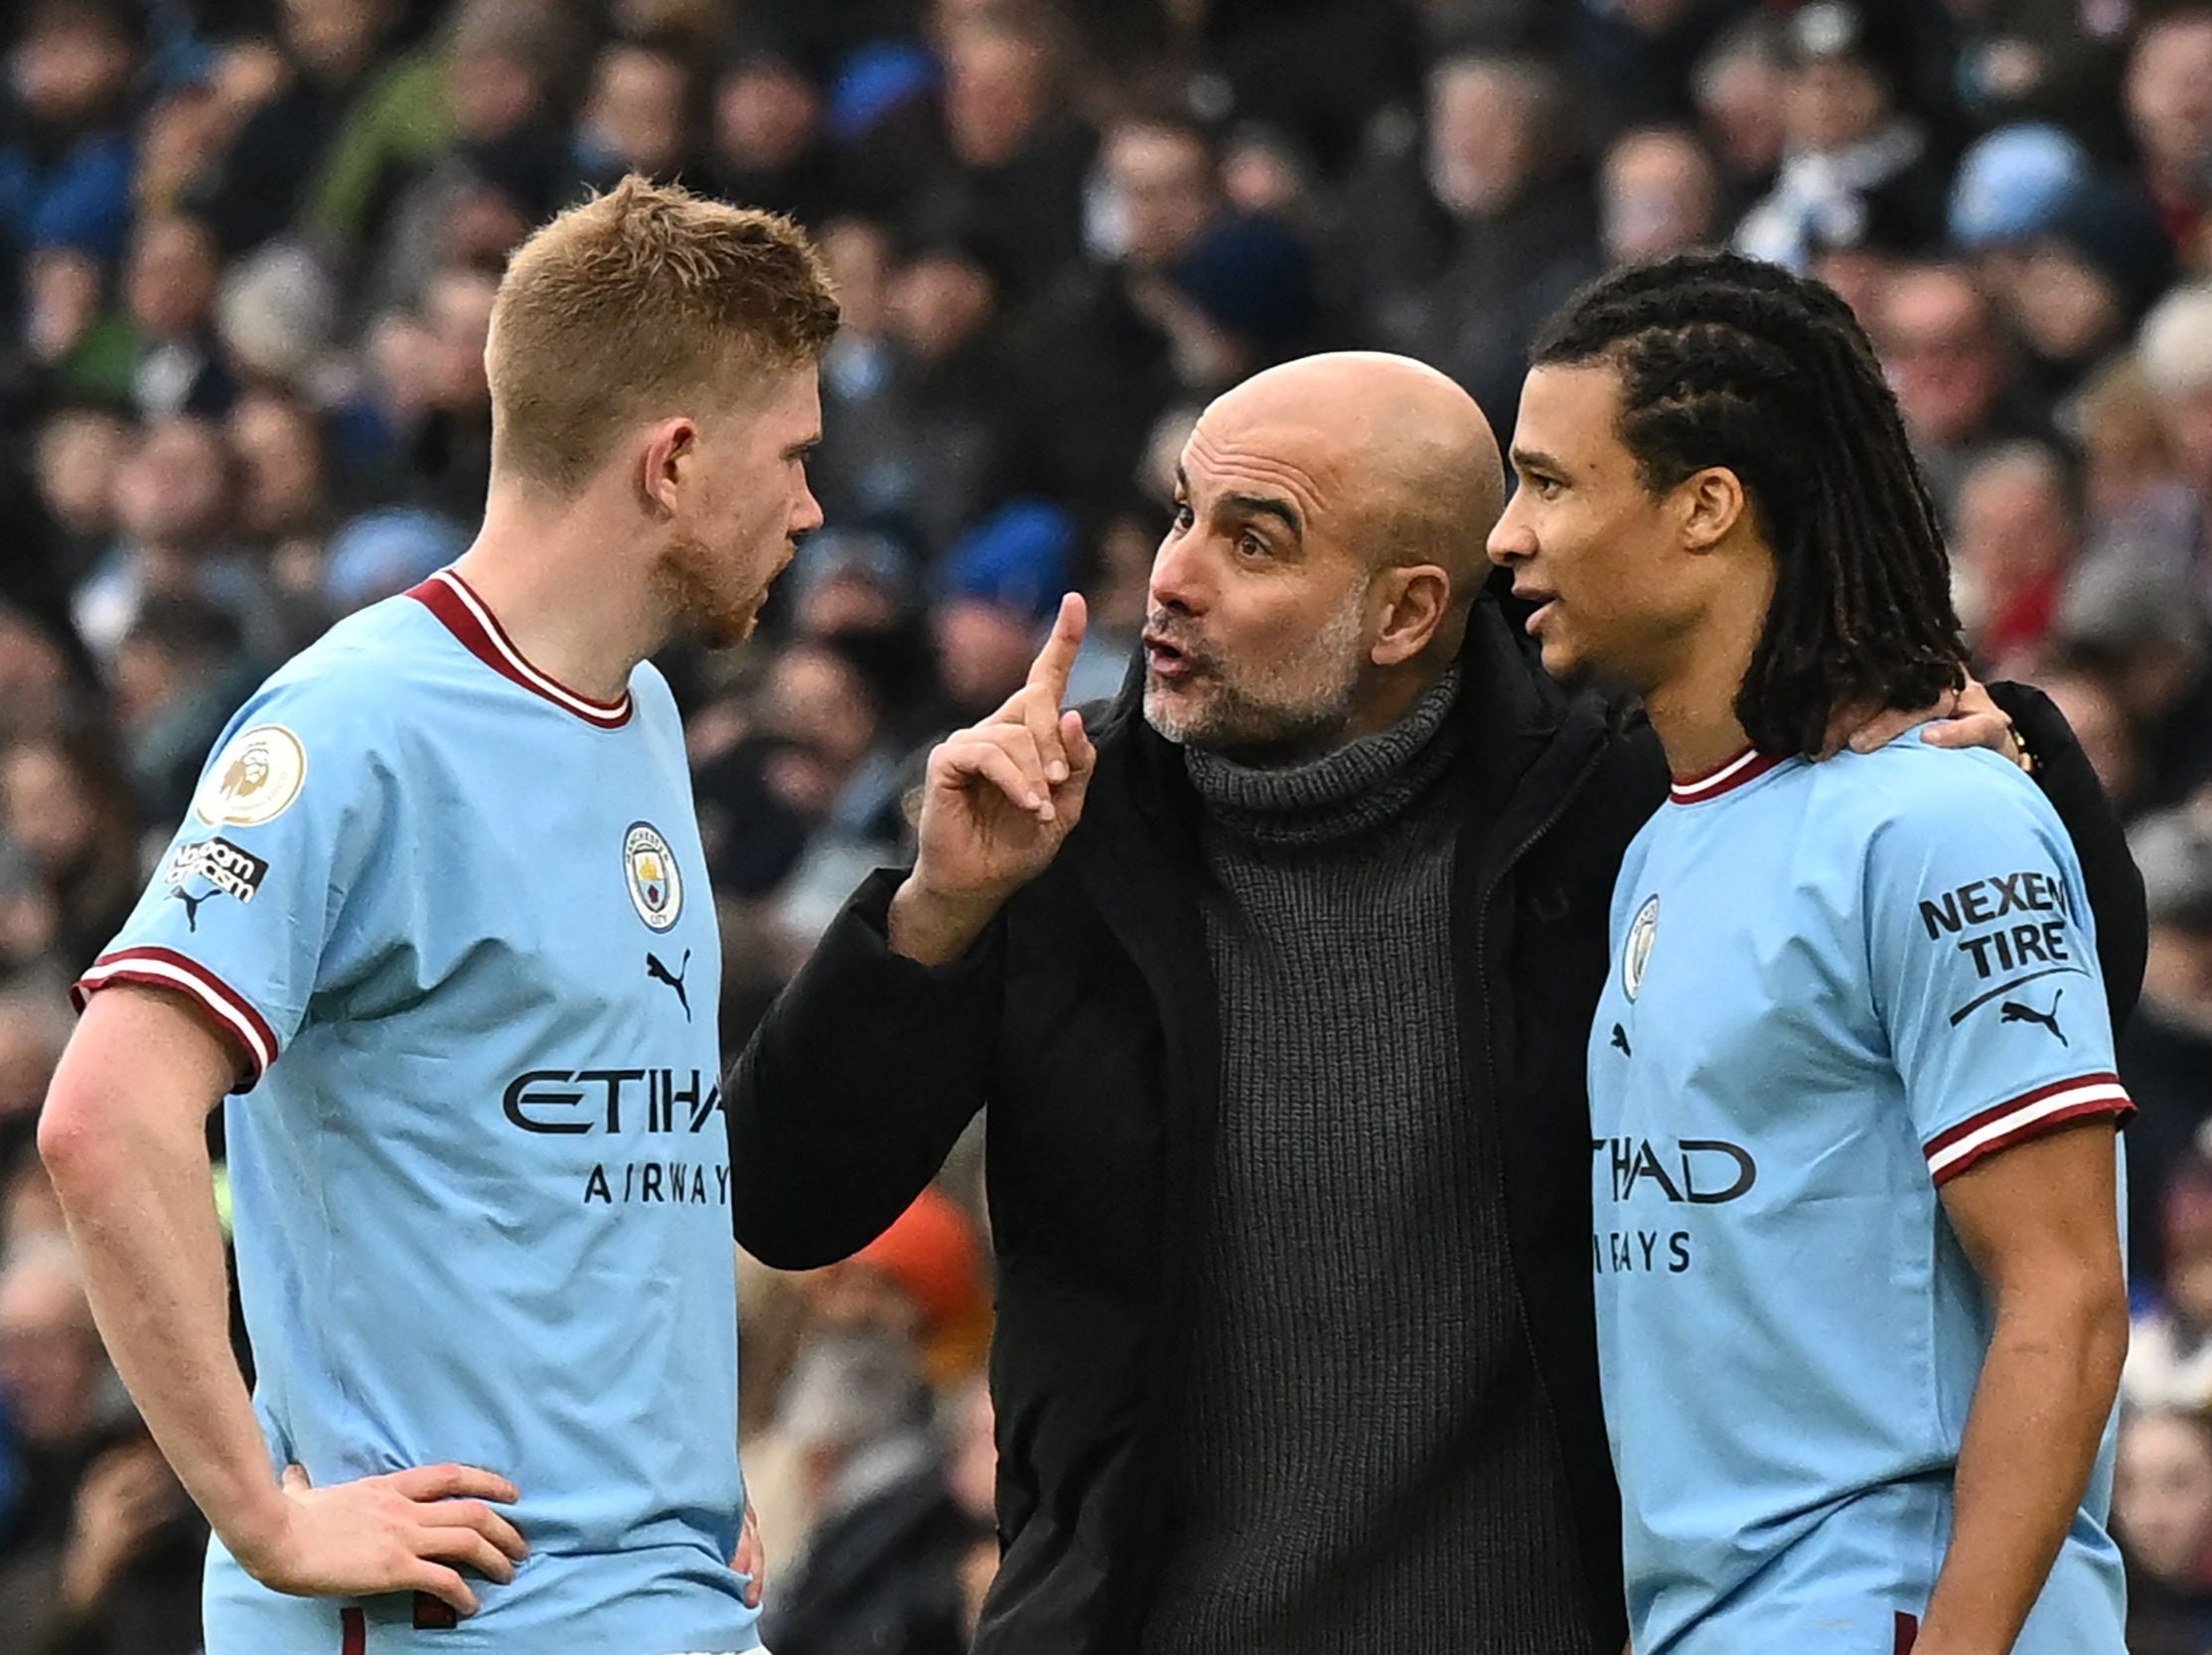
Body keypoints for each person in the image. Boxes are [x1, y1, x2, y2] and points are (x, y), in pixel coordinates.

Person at [729, 350, 2142, 1652]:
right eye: (1180, 515)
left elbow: (2062, 983)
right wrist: (933, 912)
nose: (1172, 577)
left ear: (1410, 608)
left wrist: (2015, 755)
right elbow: (785, 1197)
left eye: (1253, 538)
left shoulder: (1615, 805)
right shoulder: (1056, 823)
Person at [38, 175, 838, 1653]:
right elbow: (104, 1113)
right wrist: (265, 1516)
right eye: (789, 454)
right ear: (670, 461)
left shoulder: (645, 715)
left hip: (658, 1603)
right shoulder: (359, 726)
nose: (811, 503)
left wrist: (672, 1489)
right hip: (451, 1620)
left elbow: (610, 1156)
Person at [1487, 248, 2134, 1654]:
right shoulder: (1665, 844)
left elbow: (2068, 1294)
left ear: (1707, 505)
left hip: (1888, 1603)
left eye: (1548, 481)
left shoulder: (1941, 817)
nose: (1505, 537)